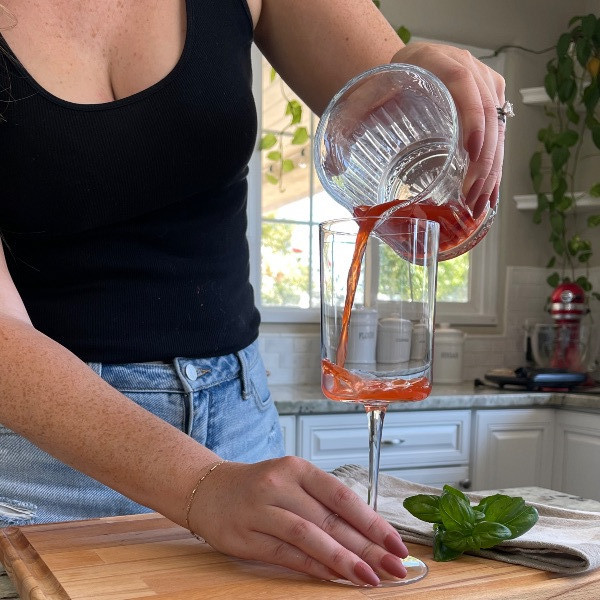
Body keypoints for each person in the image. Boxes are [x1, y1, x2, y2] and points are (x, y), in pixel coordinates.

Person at [0, 0, 506, 587]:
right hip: (41, 454)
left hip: (242, 427)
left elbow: (424, 175)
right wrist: (201, 485)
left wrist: (442, 100)